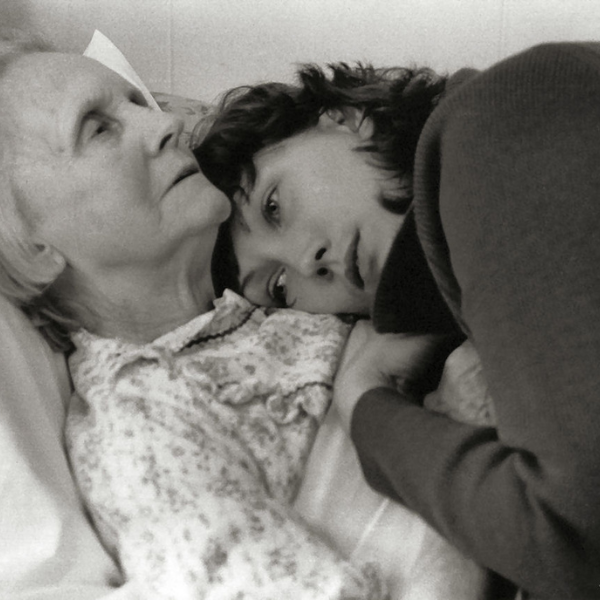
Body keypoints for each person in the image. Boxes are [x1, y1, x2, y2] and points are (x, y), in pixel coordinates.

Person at [195, 42, 600, 599]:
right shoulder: (455, 269)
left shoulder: (493, 128)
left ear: (340, 120)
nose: (307, 262)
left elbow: (573, 537)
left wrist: (364, 402)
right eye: (280, 287)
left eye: (273, 205)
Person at [0, 29, 391, 599]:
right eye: (98, 128)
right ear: (30, 242)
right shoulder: (141, 423)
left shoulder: (260, 312)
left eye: (136, 103)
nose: (165, 125)